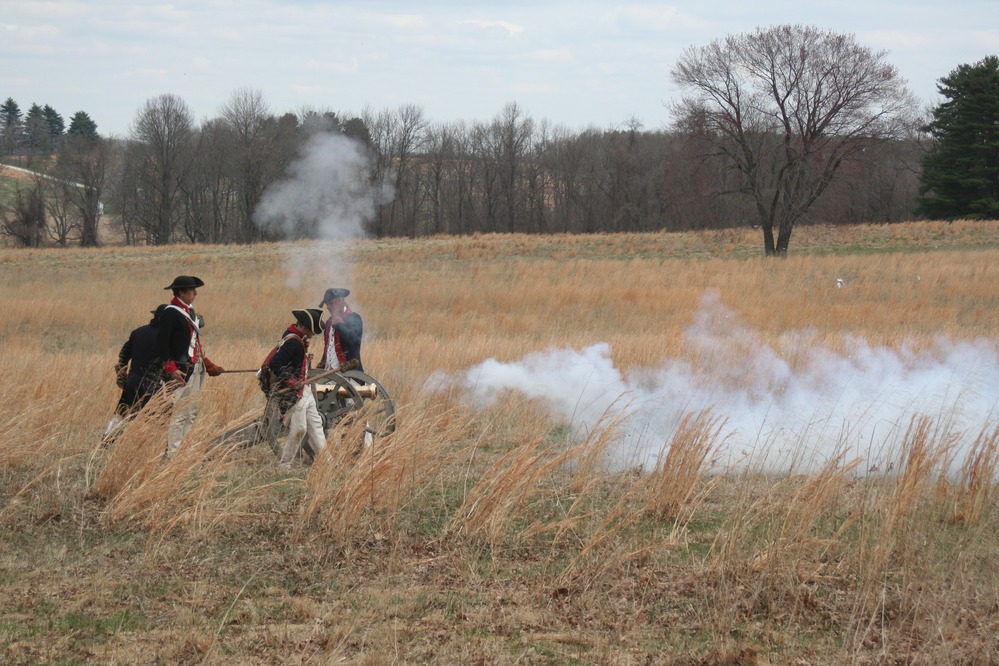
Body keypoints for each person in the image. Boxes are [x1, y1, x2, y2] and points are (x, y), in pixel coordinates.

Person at [156, 275, 224, 458]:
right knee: (179, 413)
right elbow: (162, 343)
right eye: (192, 290)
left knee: (192, 412)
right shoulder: (171, 312)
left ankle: (183, 453)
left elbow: (194, 344)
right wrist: (171, 368)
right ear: (181, 292)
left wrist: (206, 364)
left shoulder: (189, 311)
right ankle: (173, 454)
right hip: (181, 370)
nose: (195, 293)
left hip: (195, 368)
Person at [267, 308, 327, 467]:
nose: (313, 334)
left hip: (303, 390)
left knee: (316, 426)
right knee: (299, 429)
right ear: (305, 328)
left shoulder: (294, 337)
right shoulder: (293, 342)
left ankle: (327, 463)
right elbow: (275, 364)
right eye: (312, 331)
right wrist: (290, 380)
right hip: (294, 393)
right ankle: (285, 465)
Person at [103, 304, 168, 438]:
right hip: (153, 384)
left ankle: (107, 440)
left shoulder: (138, 332)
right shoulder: (166, 338)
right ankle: (142, 445)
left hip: (132, 381)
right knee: (157, 418)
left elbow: (123, 355)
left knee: (122, 414)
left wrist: (122, 374)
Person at [318, 287, 363, 372]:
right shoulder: (329, 322)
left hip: (349, 374)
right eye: (327, 304)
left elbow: (353, 341)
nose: (328, 307)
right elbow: (328, 348)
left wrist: (339, 325)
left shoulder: (354, 318)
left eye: (331, 303)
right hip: (329, 374)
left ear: (340, 301)